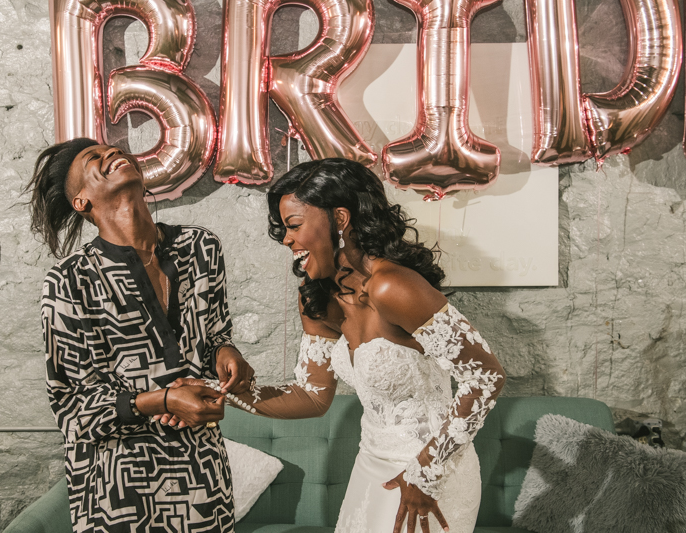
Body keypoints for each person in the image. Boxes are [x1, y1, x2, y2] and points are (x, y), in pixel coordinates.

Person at [167, 158, 506, 533]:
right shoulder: (316, 296)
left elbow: (486, 377)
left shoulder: (394, 286)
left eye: (294, 225)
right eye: (283, 228)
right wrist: (219, 391)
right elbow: (311, 396)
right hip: (371, 464)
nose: (285, 239)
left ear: (340, 219)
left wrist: (427, 472)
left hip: (432, 471)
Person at [26, 138, 255, 533]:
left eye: (112, 149)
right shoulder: (69, 281)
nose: (112, 153)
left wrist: (226, 353)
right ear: (81, 202)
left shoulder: (201, 249)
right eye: (93, 159)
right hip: (118, 483)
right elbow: (72, 410)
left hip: (200, 468)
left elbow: (215, 335)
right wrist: (163, 399)